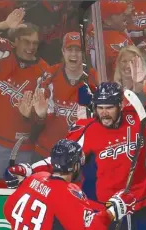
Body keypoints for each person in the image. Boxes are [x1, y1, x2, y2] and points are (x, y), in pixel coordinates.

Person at [7, 82, 146, 230]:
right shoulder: (88, 129)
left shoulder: (137, 117)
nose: (103, 113)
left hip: (139, 204)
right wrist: (30, 170)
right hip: (104, 207)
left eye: (109, 107)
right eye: (100, 107)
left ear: (120, 105)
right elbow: (62, 157)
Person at [4, 139, 136, 230]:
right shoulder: (68, 192)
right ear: (75, 165)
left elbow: (8, 211)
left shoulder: (35, 178)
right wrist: (112, 212)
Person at [0, 8, 49, 178]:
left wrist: (28, 116)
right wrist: (3, 25)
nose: (31, 47)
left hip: (22, 149)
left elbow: (43, 119)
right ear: (15, 41)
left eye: (35, 43)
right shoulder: (2, 53)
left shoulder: (44, 73)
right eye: (26, 42)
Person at [31, 31, 97, 160]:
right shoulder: (50, 75)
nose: (73, 54)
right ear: (63, 51)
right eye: (69, 49)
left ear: (84, 53)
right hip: (46, 151)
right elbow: (36, 121)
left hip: (79, 155)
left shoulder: (93, 79)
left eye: (78, 50)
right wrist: (40, 115)